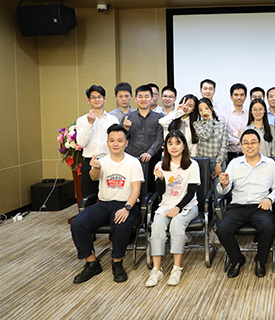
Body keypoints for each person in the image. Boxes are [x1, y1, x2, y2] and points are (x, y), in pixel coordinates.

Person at [70, 124, 143, 283]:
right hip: (104, 204)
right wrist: (96, 167)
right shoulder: (101, 161)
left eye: (119, 140)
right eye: (112, 140)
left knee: (120, 223)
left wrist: (127, 208)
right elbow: (94, 177)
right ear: (107, 142)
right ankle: (92, 263)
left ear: (126, 143)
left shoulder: (133, 162)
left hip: (126, 204)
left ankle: (117, 263)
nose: (115, 143)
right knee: (78, 223)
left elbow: (136, 189)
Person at [216, 129, 275, 278]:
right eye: (245, 143)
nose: (249, 146)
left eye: (253, 142)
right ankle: (237, 259)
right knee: (222, 229)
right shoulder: (234, 163)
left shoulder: (270, 164)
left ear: (259, 144)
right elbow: (222, 191)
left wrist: (269, 199)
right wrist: (223, 184)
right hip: (237, 207)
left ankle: (260, 261)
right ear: (241, 145)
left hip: (260, 206)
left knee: (268, 227)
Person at [146, 130, 201, 287]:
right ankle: (157, 269)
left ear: (184, 146)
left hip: (188, 205)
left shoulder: (192, 165)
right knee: (157, 225)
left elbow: (191, 193)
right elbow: (160, 192)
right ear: (165, 147)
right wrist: (160, 179)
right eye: (170, 143)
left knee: (177, 223)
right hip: (166, 205)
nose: (174, 147)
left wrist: (178, 208)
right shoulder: (160, 165)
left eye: (177, 143)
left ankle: (176, 268)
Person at [76, 85, 119, 197]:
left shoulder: (113, 120)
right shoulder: (82, 120)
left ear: (104, 99)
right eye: (93, 97)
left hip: (109, 161)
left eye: (99, 97)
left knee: (111, 196)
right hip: (89, 161)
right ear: (88, 100)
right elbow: (81, 143)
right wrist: (90, 124)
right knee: (88, 197)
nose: (97, 100)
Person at [122, 85, 164, 193]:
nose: (143, 99)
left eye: (146, 96)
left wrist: (149, 153)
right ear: (135, 99)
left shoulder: (160, 117)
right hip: (132, 159)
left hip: (153, 159)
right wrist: (126, 129)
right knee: (130, 189)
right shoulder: (127, 117)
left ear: (152, 98)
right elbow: (121, 140)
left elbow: (160, 138)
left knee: (151, 190)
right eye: (140, 96)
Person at [193, 98, 228, 183]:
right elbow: (206, 136)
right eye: (200, 110)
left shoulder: (222, 124)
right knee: (203, 189)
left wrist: (218, 163)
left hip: (218, 161)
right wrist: (209, 119)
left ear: (212, 108)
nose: (204, 112)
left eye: (206, 108)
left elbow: (224, 145)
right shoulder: (197, 124)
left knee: (219, 188)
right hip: (203, 161)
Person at [219, 83, 249, 163]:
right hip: (229, 155)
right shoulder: (224, 114)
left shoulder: (250, 114)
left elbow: (250, 134)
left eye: (241, 95)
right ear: (231, 97)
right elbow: (223, 135)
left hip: (247, 155)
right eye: (236, 95)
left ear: (245, 97)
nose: (239, 97)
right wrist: (239, 140)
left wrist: (233, 134)